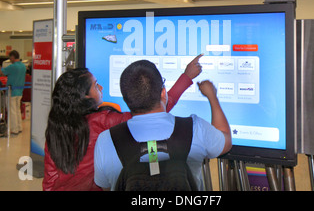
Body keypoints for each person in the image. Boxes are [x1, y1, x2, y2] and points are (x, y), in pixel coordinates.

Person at [42, 54, 203, 191]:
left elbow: (49, 180)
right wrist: (186, 77)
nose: (101, 87)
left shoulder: (56, 128)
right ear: (85, 96)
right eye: (95, 85)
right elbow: (153, 110)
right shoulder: (102, 121)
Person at [94, 60, 232, 191]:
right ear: (163, 93)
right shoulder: (195, 128)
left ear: (126, 99)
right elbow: (225, 141)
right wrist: (212, 96)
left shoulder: (106, 140)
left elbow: (106, 186)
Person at [0, 50, 26, 136]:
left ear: (13, 57)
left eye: (10, 57)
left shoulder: (13, 66)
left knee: (11, 111)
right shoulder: (23, 66)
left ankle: (13, 129)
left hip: (11, 92)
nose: (10, 59)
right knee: (17, 110)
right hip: (20, 91)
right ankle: (19, 127)